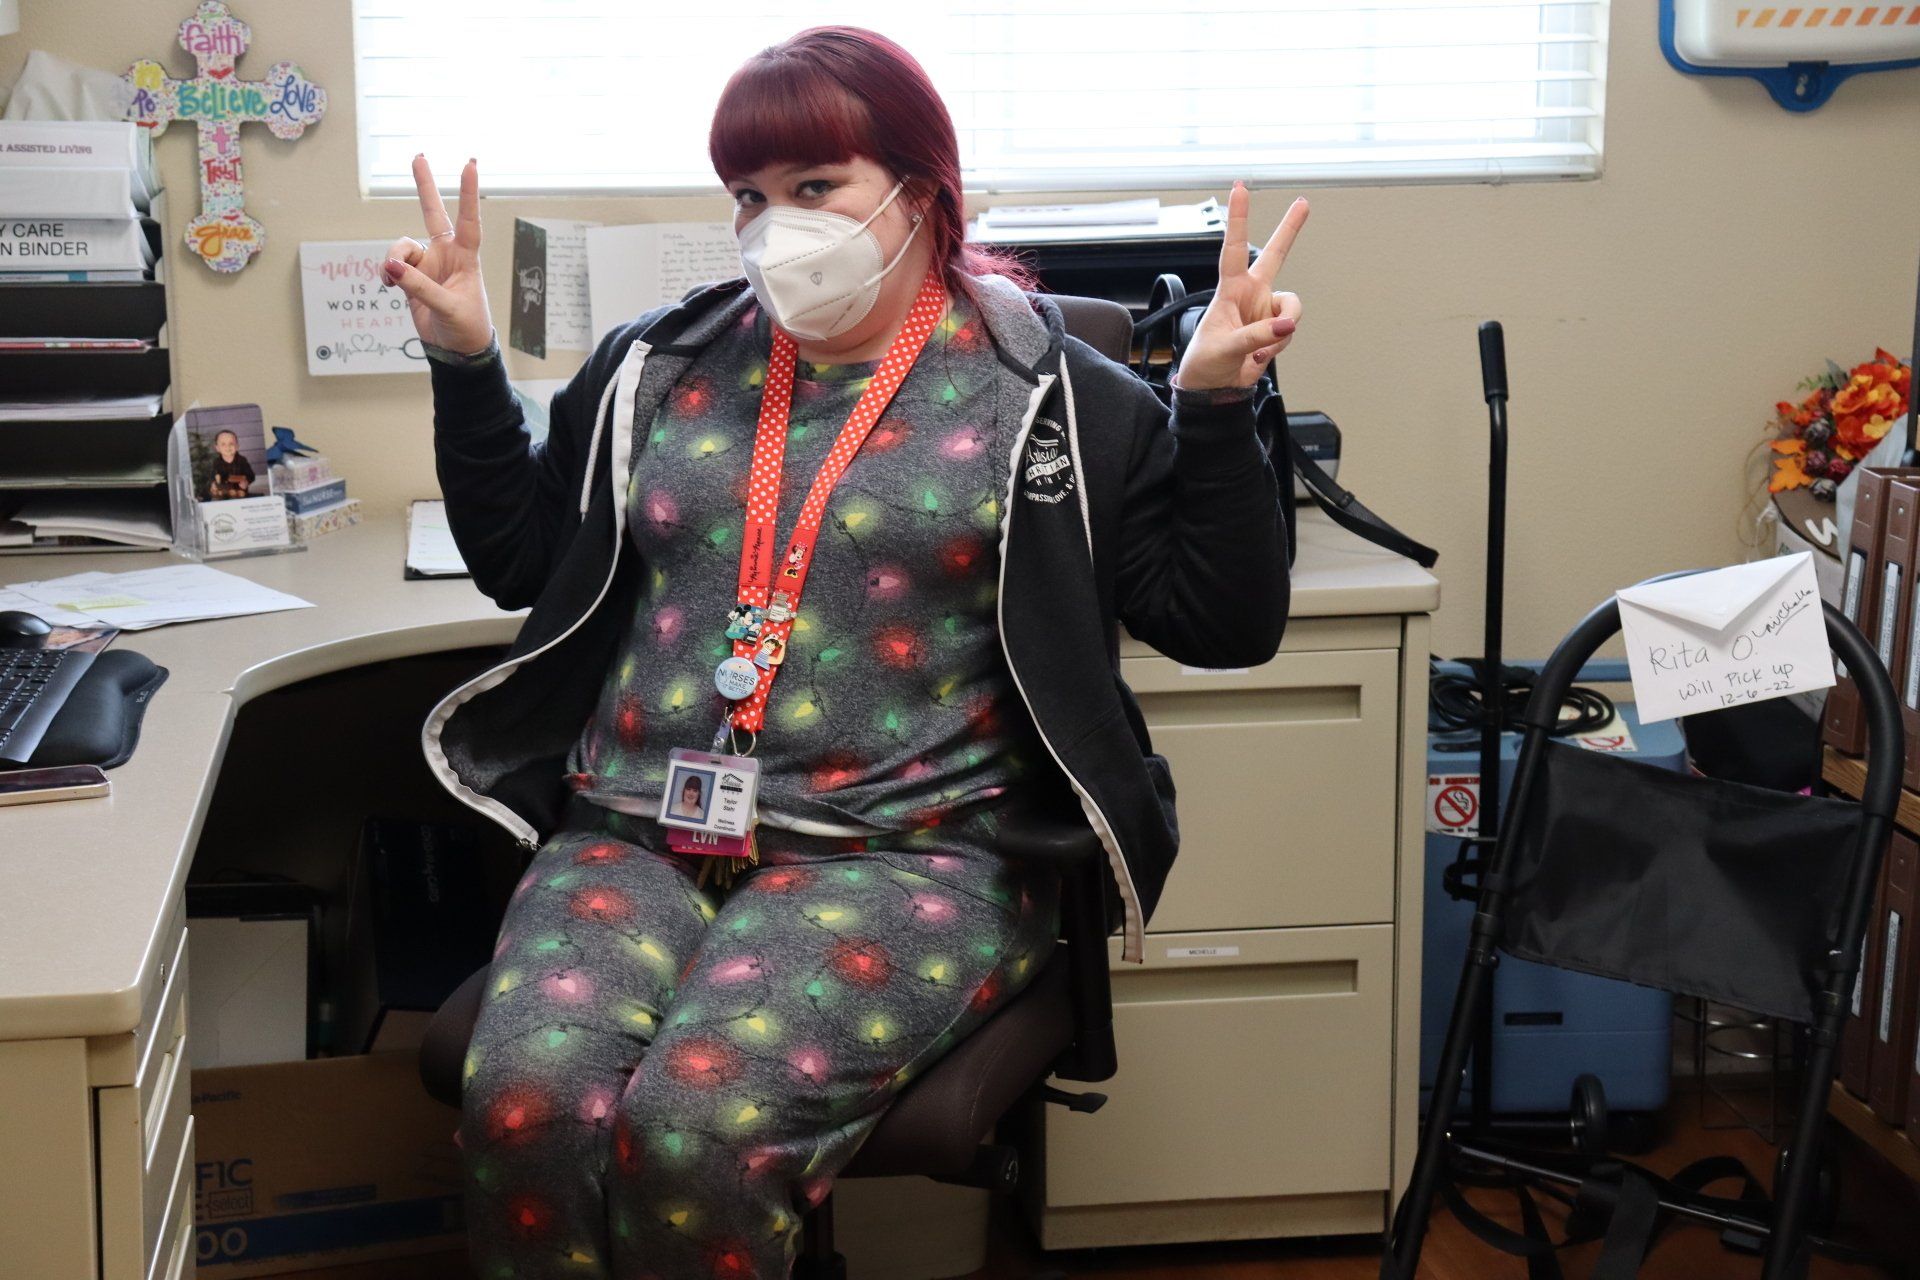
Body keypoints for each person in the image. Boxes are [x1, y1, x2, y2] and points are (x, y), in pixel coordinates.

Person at [392, 25, 1301, 1280]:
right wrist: (462, 360)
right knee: (526, 1106)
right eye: (750, 199)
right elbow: (519, 558)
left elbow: (1225, 622)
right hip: (635, 831)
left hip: (906, 848)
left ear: (919, 194)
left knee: (700, 1131)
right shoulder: (664, 363)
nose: (777, 229)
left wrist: (1211, 406)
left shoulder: (1047, 390)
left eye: (817, 190)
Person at [205, 428, 255, 500]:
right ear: (217, 448)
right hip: (223, 491)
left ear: (237, 446)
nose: (227, 447)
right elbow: (212, 475)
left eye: (231, 444)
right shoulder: (216, 462)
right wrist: (213, 483)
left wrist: (246, 482)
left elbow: (251, 475)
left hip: (239, 491)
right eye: (223, 444)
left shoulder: (242, 460)